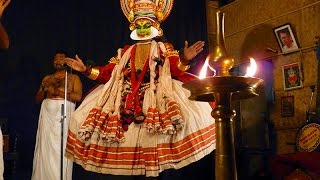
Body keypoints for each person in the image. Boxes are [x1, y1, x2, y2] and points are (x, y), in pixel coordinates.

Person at [65, 0, 215, 178]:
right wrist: (87, 70)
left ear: (155, 25)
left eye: (146, 24)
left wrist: (184, 59)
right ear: (133, 26)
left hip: (156, 94)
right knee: (86, 122)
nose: (143, 28)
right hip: (126, 96)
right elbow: (108, 72)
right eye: (139, 24)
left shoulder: (163, 48)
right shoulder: (126, 51)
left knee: (166, 133)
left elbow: (174, 68)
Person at [32, 51, 83, 180]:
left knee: (61, 147)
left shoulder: (73, 78)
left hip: (64, 116)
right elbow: (38, 100)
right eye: (55, 58)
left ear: (67, 61)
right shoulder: (47, 78)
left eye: (61, 58)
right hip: (47, 116)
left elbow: (78, 97)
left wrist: (57, 91)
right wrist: (44, 88)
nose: (57, 60)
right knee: (46, 148)